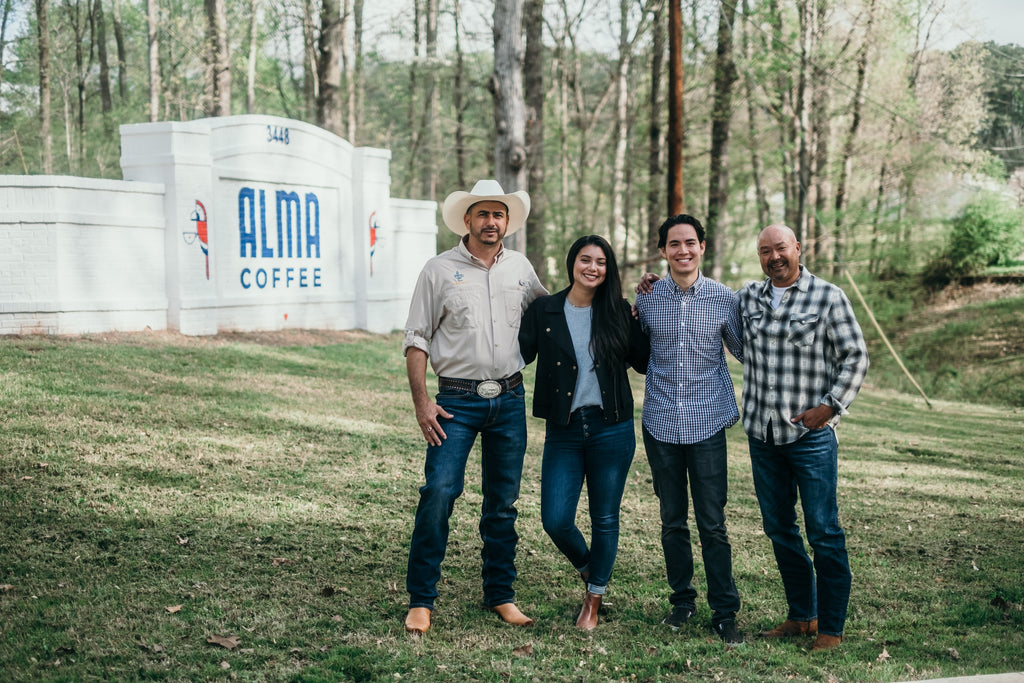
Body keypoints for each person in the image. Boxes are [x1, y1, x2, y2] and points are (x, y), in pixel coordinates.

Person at [401, 179, 548, 634]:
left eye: (498, 215)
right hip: (455, 403)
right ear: (467, 220)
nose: (491, 222)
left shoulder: (521, 268)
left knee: (502, 503)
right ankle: (421, 598)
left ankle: (500, 594)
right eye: (483, 214)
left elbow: (553, 316)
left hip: (509, 398)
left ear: (507, 221)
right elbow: (416, 338)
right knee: (439, 493)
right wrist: (423, 402)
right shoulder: (438, 270)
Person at [737, 224, 869, 652]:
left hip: (810, 438)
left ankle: (831, 627)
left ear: (798, 248)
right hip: (762, 434)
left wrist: (830, 406)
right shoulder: (749, 299)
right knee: (779, 529)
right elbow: (701, 297)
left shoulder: (828, 296)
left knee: (824, 531)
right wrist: (651, 286)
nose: (773, 257)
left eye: (780, 248)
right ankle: (802, 615)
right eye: (764, 251)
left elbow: (856, 356)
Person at [518, 235, 649, 631]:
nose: (593, 267)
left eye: (601, 262)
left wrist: (642, 315)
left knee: (604, 518)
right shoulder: (545, 310)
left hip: (612, 428)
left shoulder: (618, 312)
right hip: (565, 431)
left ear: (608, 269)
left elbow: (641, 363)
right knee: (555, 519)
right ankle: (593, 571)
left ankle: (593, 601)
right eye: (585, 259)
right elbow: (517, 354)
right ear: (572, 262)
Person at [633, 214, 745, 647]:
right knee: (671, 520)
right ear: (663, 251)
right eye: (673, 244)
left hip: (707, 423)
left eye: (690, 243)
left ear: (703, 247)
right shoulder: (647, 299)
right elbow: (632, 344)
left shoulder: (723, 299)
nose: (683, 251)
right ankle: (682, 602)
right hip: (660, 422)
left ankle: (724, 612)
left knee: (712, 523)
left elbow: (743, 351)